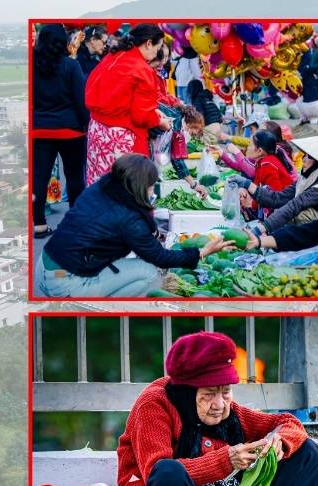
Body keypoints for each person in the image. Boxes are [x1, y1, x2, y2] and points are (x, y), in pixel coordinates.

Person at [117, 331, 318, 486]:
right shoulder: (154, 405)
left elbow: (288, 422)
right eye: (209, 393)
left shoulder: (228, 410)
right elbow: (155, 474)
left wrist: (279, 440)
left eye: (226, 392)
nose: (220, 404)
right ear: (186, 391)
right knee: (168, 472)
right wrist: (227, 460)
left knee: (307, 452)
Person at [36, 154, 234, 297]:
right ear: (140, 187)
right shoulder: (129, 220)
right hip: (64, 282)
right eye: (150, 186)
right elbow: (160, 257)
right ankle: (95, 310)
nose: (151, 191)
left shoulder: (100, 189)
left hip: (46, 266)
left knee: (138, 265)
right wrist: (201, 252)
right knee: (149, 274)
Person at [84, 23, 171, 185]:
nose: (156, 54)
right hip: (121, 137)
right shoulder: (142, 69)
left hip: (97, 132)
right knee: (125, 189)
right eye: (157, 48)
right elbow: (142, 116)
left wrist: (154, 113)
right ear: (148, 43)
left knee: (100, 186)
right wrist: (159, 121)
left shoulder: (113, 56)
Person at [31, 24, 89, 239]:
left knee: (39, 179)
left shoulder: (32, 67)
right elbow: (81, 101)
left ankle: (39, 225)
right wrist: (87, 125)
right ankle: (76, 224)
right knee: (75, 178)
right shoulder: (70, 66)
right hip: (71, 131)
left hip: (40, 130)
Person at [233, 135, 318, 235]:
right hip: (308, 224)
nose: (303, 160)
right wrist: (246, 184)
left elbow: (294, 205)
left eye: (308, 157)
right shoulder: (307, 177)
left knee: (289, 214)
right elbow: (278, 198)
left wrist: (260, 229)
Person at [186, 79, 224, 144]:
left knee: (205, 149)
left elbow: (200, 116)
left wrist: (199, 131)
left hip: (211, 126)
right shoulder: (206, 97)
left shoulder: (197, 99)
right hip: (219, 125)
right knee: (212, 147)